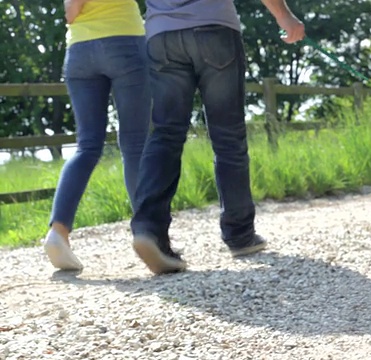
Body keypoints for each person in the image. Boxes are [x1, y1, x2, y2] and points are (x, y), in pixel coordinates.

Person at [129, 0, 305, 275]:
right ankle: (240, 234)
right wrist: (285, 17)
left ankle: (148, 230)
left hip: (162, 35)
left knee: (165, 133)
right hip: (214, 28)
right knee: (228, 136)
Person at [43, 0, 151, 271]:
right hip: (125, 39)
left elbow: (71, 12)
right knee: (135, 145)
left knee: (87, 146)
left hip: (80, 48)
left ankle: (58, 232)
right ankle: (148, 234)